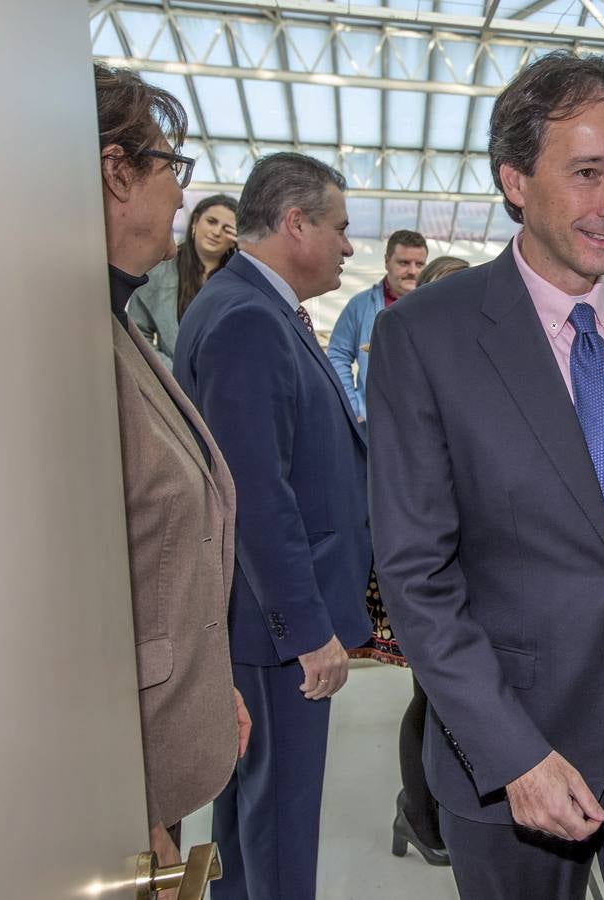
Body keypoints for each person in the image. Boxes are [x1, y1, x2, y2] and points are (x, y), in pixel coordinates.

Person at [365, 52, 604, 900]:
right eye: (585, 174)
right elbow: (416, 574)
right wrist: (512, 754)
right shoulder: (425, 337)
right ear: (514, 181)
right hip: (516, 736)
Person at [175, 152, 372, 900]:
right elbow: (256, 491)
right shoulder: (250, 320)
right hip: (273, 630)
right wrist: (305, 632)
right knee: (282, 826)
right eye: (341, 228)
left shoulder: (241, 304)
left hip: (257, 623)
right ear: (296, 224)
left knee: (246, 817)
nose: (349, 247)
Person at [91, 61, 249, 875]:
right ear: (116, 174)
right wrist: (125, 813)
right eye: (170, 169)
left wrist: (203, 675)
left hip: (161, 743)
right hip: (121, 788)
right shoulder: (68, 343)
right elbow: (77, 616)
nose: (183, 198)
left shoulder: (114, 325)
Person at [387, 252, 469, 869]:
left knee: (453, 699)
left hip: (481, 567)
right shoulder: (413, 362)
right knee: (434, 696)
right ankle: (419, 812)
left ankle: (429, 808)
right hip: (437, 568)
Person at [127, 194, 239, 370]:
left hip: (224, 383)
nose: (216, 232)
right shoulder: (159, 271)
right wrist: (172, 372)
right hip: (172, 384)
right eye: (211, 221)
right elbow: (138, 331)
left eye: (227, 228)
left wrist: (244, 253)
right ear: (195, 222)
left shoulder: (239, 280)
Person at [326, 229, 428, 420]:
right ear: (386, 261)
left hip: (423, 418)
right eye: (404, 263)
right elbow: (338, 354)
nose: (413, 271)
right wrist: (352, 407)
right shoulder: (360, 305)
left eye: (419, 264)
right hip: (373, 420)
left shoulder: (434, 307)